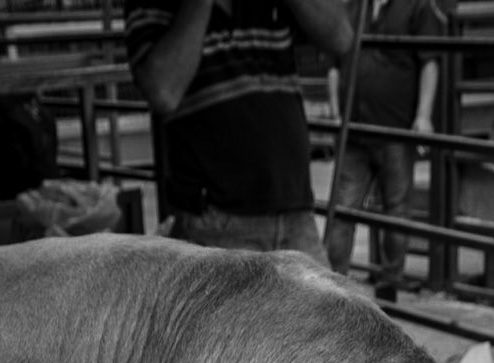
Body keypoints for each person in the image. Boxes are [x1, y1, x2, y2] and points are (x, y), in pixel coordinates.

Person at [126, 0, 353, 260]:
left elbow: (342, 37)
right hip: (215, 221)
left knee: (328, 300)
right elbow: (163, 92)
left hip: (295, 212)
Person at [324, 0, 445, 301]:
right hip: (354, 129)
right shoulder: (352, 7)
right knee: (343, 208)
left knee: (396, 209)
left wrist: (423, 115)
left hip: (395, 127)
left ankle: (390, 282)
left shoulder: (417, 6)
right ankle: (333, 284)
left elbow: (430, 61)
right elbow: (334, 62)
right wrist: (336, 111)